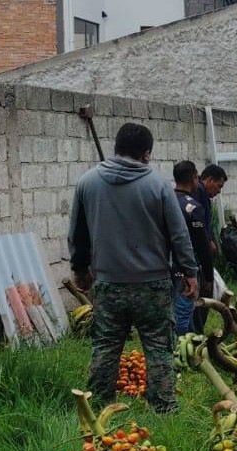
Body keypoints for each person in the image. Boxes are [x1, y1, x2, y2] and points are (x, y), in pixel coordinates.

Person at [68, 122, 197, 414]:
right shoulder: (159, 185)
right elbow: (179, 235)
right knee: (158, 349)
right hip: (153, 285)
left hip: (108, 284)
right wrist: (190, 272)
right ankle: (164, 410)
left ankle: (99, 405)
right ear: (146, 153)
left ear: (116, 148)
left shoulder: (87, 182)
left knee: (105, 346)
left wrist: (80, 270)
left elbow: (77, 234)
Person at [172, 161, 213, 335]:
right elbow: (202, 245)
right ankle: (181, 350)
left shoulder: (166, 201)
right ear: (194, 178)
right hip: (185, 269)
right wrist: (209, 276)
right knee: (183, 310)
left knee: (174, 310)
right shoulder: (193, 207)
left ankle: (189, 343)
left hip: (162, 266)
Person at [191, 164, 227, 330]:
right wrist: (208, 241)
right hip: (198, 257)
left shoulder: (202, 194)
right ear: (209, 180)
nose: (219, 191)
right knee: (201, 297)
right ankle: (196, 333)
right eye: (219, 186)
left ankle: (197, 331)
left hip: (201, 256)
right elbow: (198, 227)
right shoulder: (197, 192)